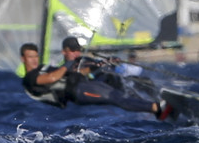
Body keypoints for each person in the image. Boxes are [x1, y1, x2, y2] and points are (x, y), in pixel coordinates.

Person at [21, 39, 172, 119]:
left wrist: (99, 65)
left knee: (121, 87)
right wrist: (69, 63)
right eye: (30, 57)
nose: (34, 60)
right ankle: (157, 108)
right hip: (77, 92)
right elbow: (53, 77)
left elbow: (78, 72)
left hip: (82, 84)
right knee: (115, 97)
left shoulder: (44, 67)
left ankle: (159, 102)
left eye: (35, 56)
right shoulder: (30, 78)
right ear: (23, 59)